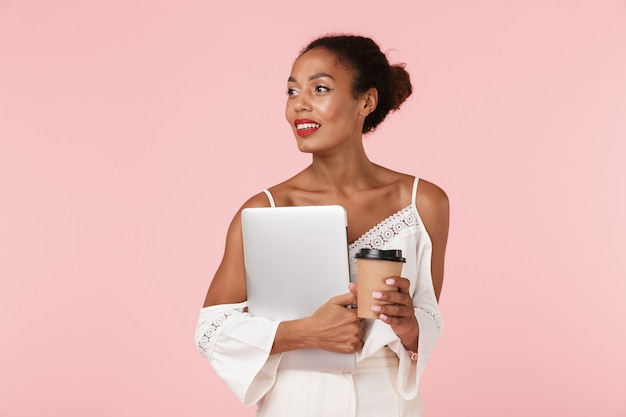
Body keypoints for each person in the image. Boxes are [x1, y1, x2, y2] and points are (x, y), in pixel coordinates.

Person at [195, 34, 449, 417]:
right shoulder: (266, 209)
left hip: (390, 402)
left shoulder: (422, 202)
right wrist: (304, 332)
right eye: (292, 91)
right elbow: (210, 330)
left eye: (320, 88)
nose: (300, 104)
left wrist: (410, 324)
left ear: (366, 101)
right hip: (296, 401)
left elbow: (427, 312)